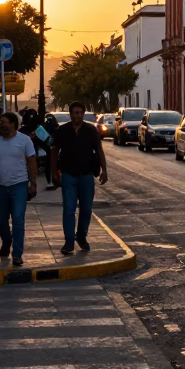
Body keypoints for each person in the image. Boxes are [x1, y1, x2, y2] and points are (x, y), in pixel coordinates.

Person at [50, 100, 108, 255]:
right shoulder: (62, 131)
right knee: (69, 209)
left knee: (87, 209)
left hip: (86, 175)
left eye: (80, 113)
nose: (78, 116)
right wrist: (54, 171)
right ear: (71, 114)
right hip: (68, 175)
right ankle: (69, 242)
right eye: (75, 113)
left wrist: (104, 170)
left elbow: (99, 150)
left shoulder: (91, 130)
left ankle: (81, 236)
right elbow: (55, 151)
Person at [0, 111, 37, 266]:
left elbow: (31, 161)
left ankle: (17, 254)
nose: (2, 125)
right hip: (0, 187)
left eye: (6, 122)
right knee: (0, 220)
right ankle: (7, 241)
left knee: (18, 220)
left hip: (19, 185)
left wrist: (33, 182)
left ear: (14, 124)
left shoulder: (25, 140)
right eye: (1, 122)